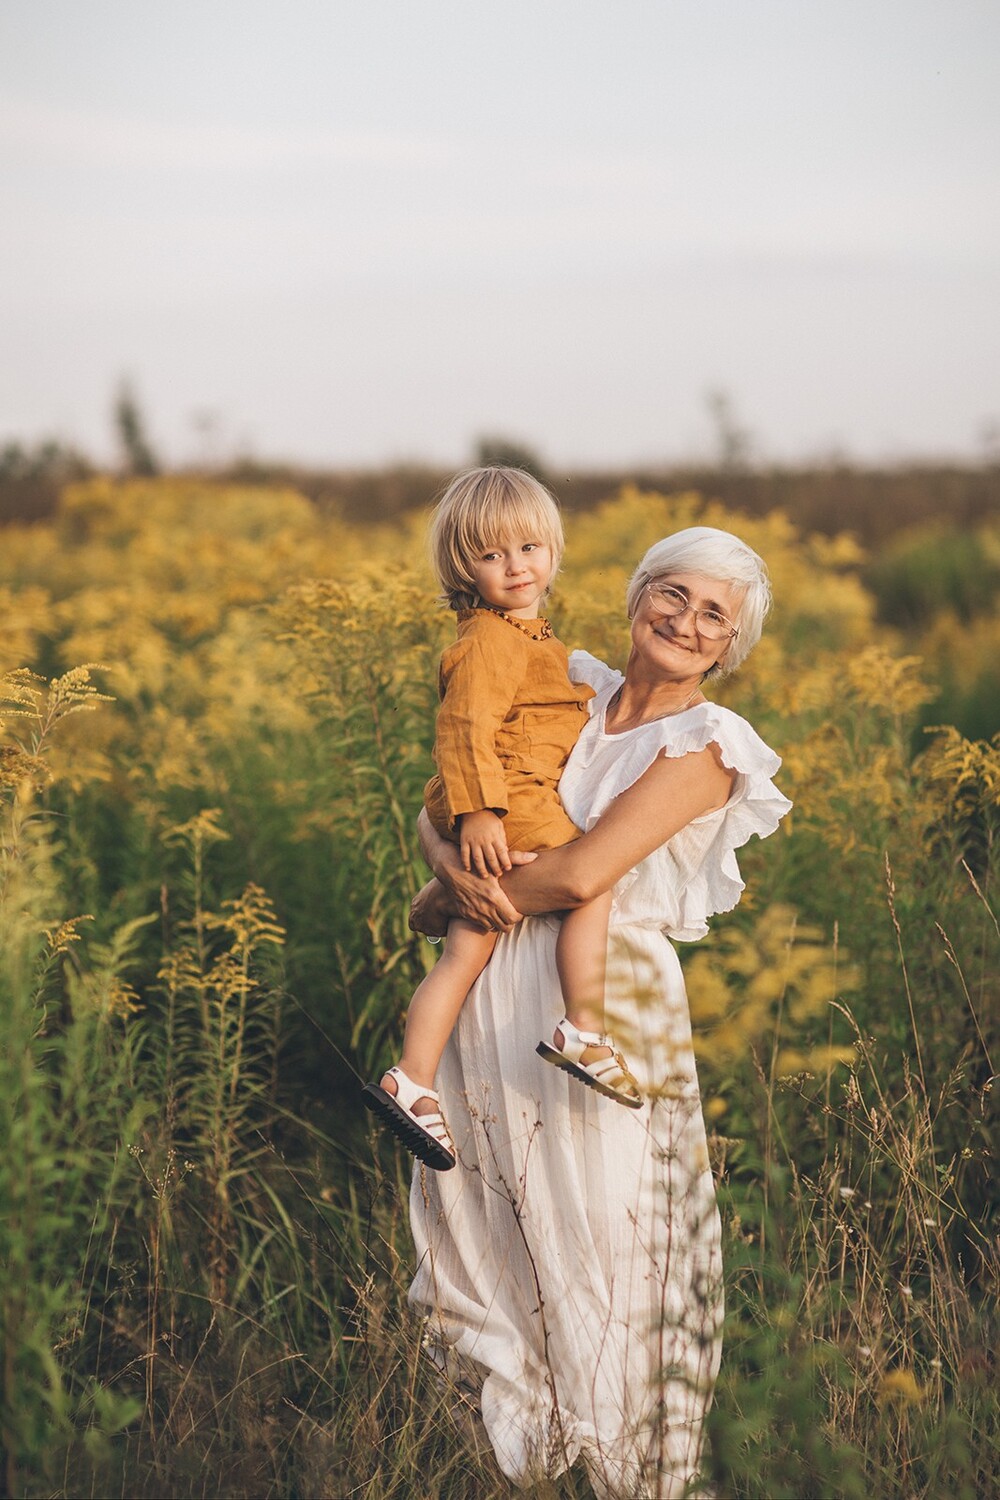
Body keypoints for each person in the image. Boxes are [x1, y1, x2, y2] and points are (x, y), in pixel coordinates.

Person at [405, 525, 792, 1499]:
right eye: (672, 593)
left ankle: (625, 1469)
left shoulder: (706, 745)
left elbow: (581, 872)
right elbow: (443, 796)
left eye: (713, 614)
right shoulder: (562, 680)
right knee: (493, 1217)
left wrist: (448, 900)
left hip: (599, 1005)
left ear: (728, 644)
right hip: (492, 988)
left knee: (607, 1228)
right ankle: (521, 1467)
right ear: (636, 595)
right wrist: (447, 867)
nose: (685, 621)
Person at [363, 467, 640, 1175]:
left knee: (466, 950)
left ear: (552, 549)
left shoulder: (528, 633)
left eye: (529, 548)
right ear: (465, 567)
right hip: (510, 800)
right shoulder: (490, 639)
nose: (516, 566)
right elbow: (464, 726)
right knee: (594, 878)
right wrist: (481, 814)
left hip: (504, 798)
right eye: (492, 555)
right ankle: (583, 1029)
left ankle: (412, 1080)